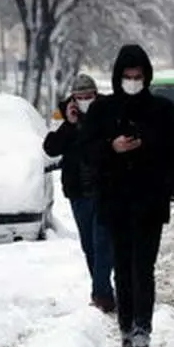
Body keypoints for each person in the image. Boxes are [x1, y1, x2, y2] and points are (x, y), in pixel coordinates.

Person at [81, 44, 174, 347]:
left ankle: (143, 327)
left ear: (146, 76)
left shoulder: (162, 110)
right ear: (117, 76)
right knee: (122, 269)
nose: (132, 81)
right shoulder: (103, 111)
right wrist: (111, 147)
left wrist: (165, 185)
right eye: (126, 76)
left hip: (149, 203)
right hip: (114, 203)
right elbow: (86, 151)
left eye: (137, 76)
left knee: (144, 267)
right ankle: (127, 328)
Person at [42, 74, 115, 313]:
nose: (85, 101)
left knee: (102, 241)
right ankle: (103, 289)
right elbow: (51, 147)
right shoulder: (62, 115)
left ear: (96, 95)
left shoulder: (108, 111)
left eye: (89, 97)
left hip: (105, 189)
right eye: (80, 97)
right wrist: (69, 124)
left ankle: (101, 294)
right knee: (89, 245)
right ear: (73, 97)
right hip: (78, 192)